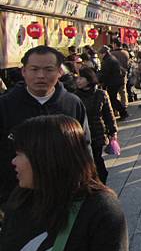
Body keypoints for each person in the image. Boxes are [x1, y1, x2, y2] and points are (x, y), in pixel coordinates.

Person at [0, 115, 128, 251]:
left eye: (19, 154)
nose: (13, 162)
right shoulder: (20, 197)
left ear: (46, 157)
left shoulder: (100, 208)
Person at [0, 46, 91, 207]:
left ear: (59, 72)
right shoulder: (6, 105)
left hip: (65, 193)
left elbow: (84, 145)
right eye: (34, 69)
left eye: (49, 70)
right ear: (23, 72)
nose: (41, 76)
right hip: (19, 195)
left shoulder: (72, 103)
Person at [75, 67, 118, 184]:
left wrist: (113, 131)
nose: (77, 81)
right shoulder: (74, 97)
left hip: (97, 132)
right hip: (80, 134)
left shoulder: (101, 94)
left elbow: (108, 114)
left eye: (81, 78)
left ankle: (101, 181)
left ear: (89, 79)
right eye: (77, 78)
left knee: (97, 158)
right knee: (86, 160)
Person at [98, 46, 129, 121]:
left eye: (100, 54)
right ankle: (122, 112)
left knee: (113, 98)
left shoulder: (108, 60)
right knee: (113, 98)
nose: (99, 56)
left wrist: (100, 81)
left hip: (113, 82)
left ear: (104, 53)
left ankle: (123, 113)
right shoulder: (111, 58)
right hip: (116, 81)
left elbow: (105, 73)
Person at [111, 41, 130, 112]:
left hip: (115, 75)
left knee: (115, 92)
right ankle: (124, 104)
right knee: (123, 90)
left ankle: (117, 109)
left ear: (115, 44)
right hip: (124, 73)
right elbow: (128, 64)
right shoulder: (126, 53)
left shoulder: (112, 54)